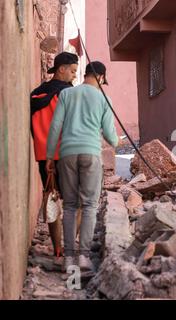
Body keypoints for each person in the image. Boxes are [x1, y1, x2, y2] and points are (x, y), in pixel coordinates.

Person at [46, 61, 118, 271]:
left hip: (67, 154)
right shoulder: (104, 98)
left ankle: (68, 257)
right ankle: (84, 257)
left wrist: (50, 156)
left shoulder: (67, 95)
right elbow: (110, 135)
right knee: (89, 206)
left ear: (85, 74)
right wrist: (117, 141)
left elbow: (55, 126)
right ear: (101, 78)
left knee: (69, 206)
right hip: (90, 154)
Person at [30, 52, 79, 257]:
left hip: (43, 156)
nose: (74, 76)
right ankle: (69, 245)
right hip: (65, 154)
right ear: (61, 69)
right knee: (76, 202)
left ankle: (57, 248)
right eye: (73, 71)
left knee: (51, 198)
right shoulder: (68, 93)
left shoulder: (35, 94)